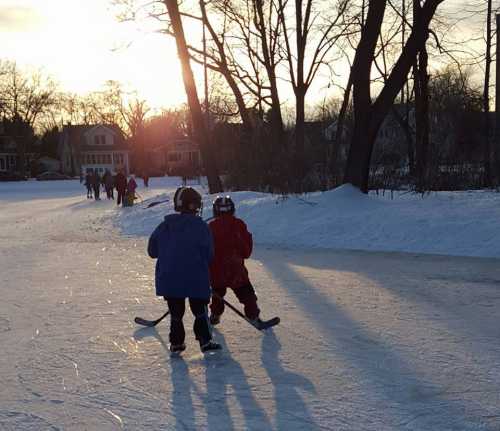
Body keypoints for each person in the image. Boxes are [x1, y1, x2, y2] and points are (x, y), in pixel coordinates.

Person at [147, 187, 221, 353]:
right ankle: (204, 340)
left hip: (169, 279)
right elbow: (209, 254)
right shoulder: (202, 227)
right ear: (193, 206)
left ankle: (176, 343)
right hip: (196, 279)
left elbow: (152, 251)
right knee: (200, 310)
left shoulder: (164, 226)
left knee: (176, 313)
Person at [208, 195, 265, 328]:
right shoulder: (238, 224)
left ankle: (215, 314)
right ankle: (254, 315)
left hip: (216, 272)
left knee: (217, 294)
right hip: (235, 271)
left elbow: (204, 249)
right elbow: (246, 251)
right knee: (247, 295)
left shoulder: (211, 227)